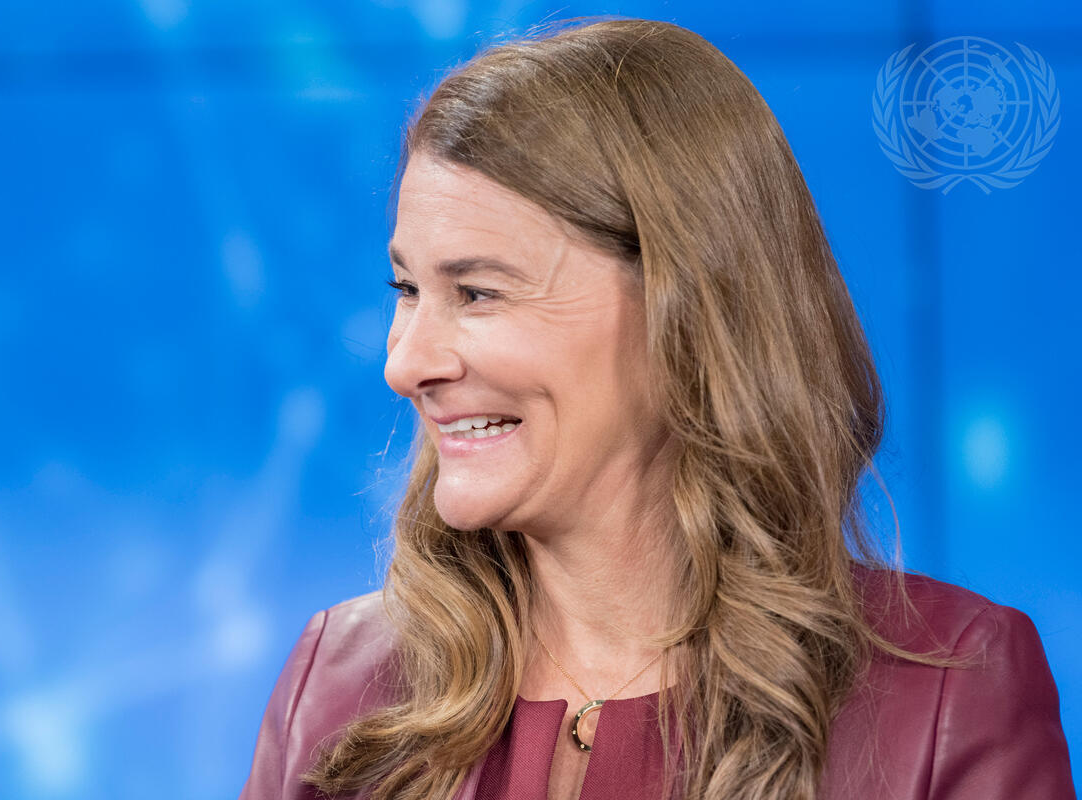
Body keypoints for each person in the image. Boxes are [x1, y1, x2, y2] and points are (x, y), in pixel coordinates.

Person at [239, 17, 1075, 800]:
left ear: (687, 307)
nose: (406, 363)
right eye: (407, 289)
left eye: (479, 292)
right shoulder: (334, 687)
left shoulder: (947, 695)